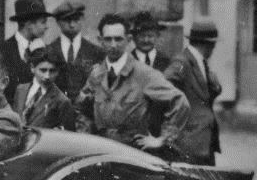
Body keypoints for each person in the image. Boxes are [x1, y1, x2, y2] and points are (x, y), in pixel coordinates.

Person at [76, 14, 188, 154]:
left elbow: (180, 101)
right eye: (108, 39)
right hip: (101, 152)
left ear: (128, 40)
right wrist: (84, 139)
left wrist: (163, 139)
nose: (113, 45)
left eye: (118, 39)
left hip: (133, 153)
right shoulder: (97, 74)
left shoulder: (143, 73)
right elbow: (83, 110)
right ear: (100, 40)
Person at [163, 20, 223, 166]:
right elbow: (163, 88)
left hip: (204, 143)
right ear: (209, 44)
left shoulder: (200, 62)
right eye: (214, 44)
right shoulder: (182, 62)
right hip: (188, 143)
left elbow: (204, 97)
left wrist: (214, 85)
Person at [0, 0, 49, 101]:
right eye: (43, 22)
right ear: (28, 24)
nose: (46, 27)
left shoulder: (46, 51)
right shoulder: (0, 52)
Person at [46, 0, 103, 100]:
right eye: (67, 20)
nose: (72, 25)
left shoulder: (97, 52)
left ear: (82, 19)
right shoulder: (48, 51)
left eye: (76, 20)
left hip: (86, 110)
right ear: (58, 22)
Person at [14, 47, 76, 131]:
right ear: (32, 68)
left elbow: (69, 134)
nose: (47, 76)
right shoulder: (21, 89)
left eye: (52, 71)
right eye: (43, 70)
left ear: (58, 72)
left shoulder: (62, 101)